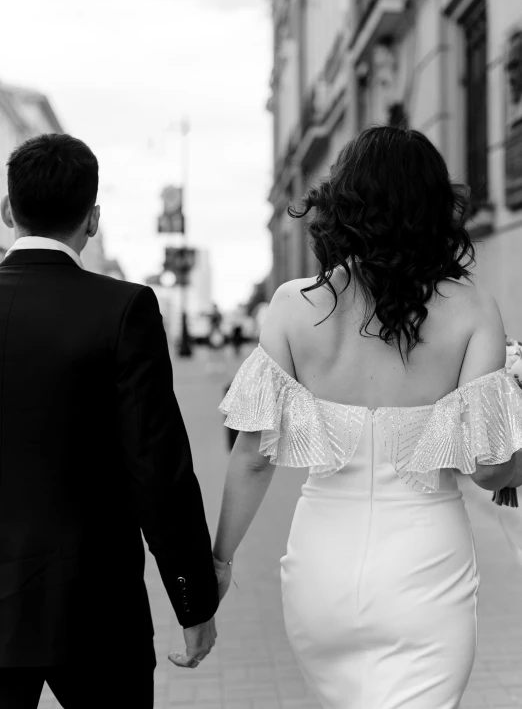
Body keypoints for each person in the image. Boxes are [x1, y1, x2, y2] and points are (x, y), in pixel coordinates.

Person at [212, 126, 522, 709]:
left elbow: (253, 457)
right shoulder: (473, 308)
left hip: (321, 572)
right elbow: (489, 466)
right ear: (434, 209)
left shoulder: (291, 306)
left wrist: (221, 559)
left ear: (342, 206)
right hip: (427, 575)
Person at [0, 134, 218, 709]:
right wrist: (193, 602)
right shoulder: (123, 310)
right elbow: (158, 470)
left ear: (6, 210)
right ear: (92, 220)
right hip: (95, 609)